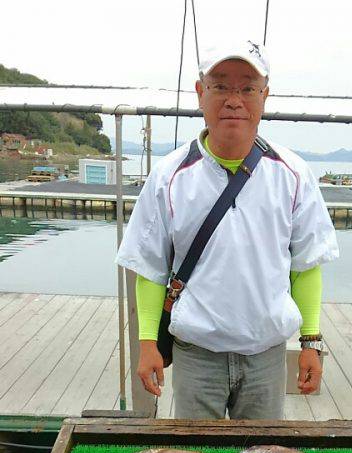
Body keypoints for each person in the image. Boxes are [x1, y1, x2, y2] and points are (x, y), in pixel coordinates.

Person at [116, 41, 339, 419]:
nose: (234, 100)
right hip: (195, 355)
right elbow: (150, 268)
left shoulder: (293, 174)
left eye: (247, 88)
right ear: (200, 92)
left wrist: (311, 341)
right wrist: (148, 342)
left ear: (264, 96)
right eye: (220, 86)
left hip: (266, 355)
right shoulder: (168, 176)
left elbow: (306, 265)